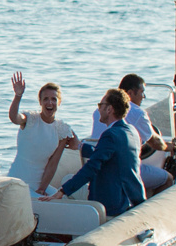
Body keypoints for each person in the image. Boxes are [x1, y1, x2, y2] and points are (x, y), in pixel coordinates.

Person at [61, 88, 146, 216]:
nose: (98, 109)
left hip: (110, 203)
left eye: (101, 105)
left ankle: (74, 233)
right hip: (129, 198)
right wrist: (80, 146)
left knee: (65, 183)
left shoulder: (110, 135)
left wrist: (63, 191)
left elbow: (91, 168)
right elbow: (110, 154)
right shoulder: (131, 131)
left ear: (109, 109)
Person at [92, 72, 173, 196]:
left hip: (99, 166)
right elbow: (155, 142)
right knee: (168, 179)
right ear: (130, 93)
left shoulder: (99, 111)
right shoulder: (137, 113)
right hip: (121, 169)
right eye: (141, 92)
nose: (143, 96)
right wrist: (169, 146)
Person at [5, 72, 80, 196]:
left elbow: (53, 163)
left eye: (53, 99)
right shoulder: (29, 119)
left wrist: (42, 189)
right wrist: (18, 96)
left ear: (59, 102)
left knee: (62, 200)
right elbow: (14, 117)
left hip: (38, 185)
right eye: (45, 99)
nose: (49, 103)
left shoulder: (61, 129)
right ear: (40, 102)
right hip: (17, 182)